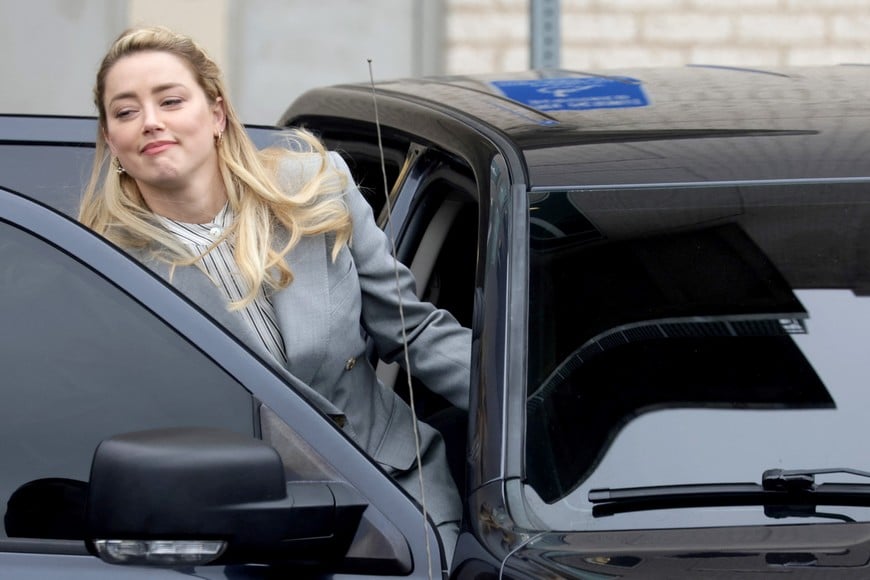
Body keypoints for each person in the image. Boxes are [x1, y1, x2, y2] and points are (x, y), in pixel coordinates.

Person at [79, 26, 470, 565]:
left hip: (401, 497)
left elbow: (414, 329)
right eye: (125, 112)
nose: (151, 121)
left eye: (170, 100)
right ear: (111, 140)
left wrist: (526, 410)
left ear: (216, 115)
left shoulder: (315, 190)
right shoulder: (110, 269)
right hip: (252, 531)